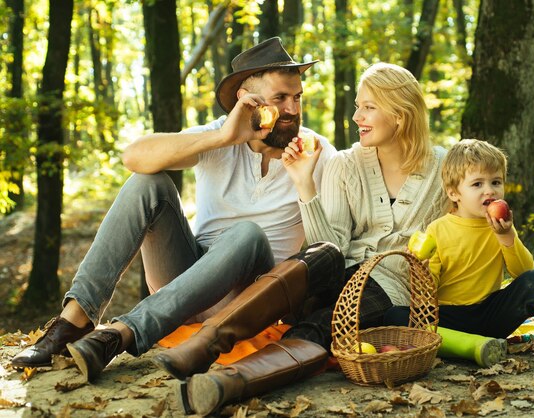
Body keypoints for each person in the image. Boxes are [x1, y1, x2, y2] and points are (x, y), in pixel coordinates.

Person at [153, 63, 500, 417]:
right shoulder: (345, 164)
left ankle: (227, 383)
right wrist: (305, 183)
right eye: (357, 106)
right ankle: (208, 341)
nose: (356, 117)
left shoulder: (444, 169)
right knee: (322, 256)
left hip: (390, 286)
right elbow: (329, 244)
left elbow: (469, 229)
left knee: (321, 325)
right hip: (340, 269)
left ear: (400, 114)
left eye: (368, 107)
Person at [11, 37, 343, 382]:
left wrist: (305, 182)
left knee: (247, 234)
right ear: (249, 101)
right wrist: (224, 138)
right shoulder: (220, 134)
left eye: (297, 97)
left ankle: (122, 333)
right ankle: (73, 320)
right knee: (147, 183)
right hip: (189, 277)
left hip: (252, 295)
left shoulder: (317, 152)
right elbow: (133, 157)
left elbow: (329, 251)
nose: (292, 109)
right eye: (280, 98)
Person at [385, 139, 534, 366]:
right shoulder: (438, 229)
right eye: (477, 184)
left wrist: (507, 237)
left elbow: (523, 271)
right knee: (394, 317)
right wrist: (421, 272)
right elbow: (426, 296)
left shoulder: (500, 225)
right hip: (450, 319)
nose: (489, 191)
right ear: (454, 192)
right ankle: (474, 348)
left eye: (496, 182)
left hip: (491, 315)